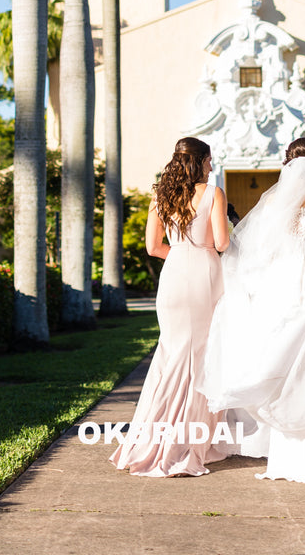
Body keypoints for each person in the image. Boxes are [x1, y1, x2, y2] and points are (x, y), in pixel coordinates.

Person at [204, 137, 305, 486]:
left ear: (287, 163)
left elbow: (260, 248)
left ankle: (290, 455)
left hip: (282, 282)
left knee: (283, 362)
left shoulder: (273, 200)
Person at [109, 137, 230, 477]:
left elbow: (152, 247)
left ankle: (151, 436)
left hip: (173, 275)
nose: (211, 165)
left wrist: (180, 252)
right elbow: (221, 242)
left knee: (172, 353)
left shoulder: (161, 195)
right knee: (199, 355)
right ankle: (183, 442)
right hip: (205, 274)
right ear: (201, 160)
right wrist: (211, 246)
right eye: (209, 160)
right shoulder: (213, 193)